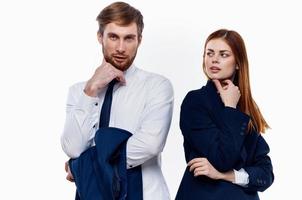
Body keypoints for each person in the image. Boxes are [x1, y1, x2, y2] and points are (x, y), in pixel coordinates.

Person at [61, 2, 173, 200]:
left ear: (139, 39)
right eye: (113, 37)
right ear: (100, 37)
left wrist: (80, 166)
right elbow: (73, 147)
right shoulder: (79, 91)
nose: (121, 48)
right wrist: (91, 89)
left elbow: (150, 145)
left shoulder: (157, 86)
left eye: (129, 38)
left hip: (146, 194)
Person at [175, 29, 274, 200]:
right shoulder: (195, 102)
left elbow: (266, 174)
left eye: (223, 54)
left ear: (237, 62)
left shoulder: (247, 107)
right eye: (209, 53)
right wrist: (229, 108)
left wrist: (227, 175)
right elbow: (222, 159)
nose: (214, 59)